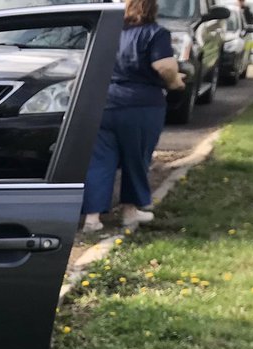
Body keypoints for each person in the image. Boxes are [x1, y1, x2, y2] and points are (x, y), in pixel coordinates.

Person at [81, 0, 184, 233]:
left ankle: (92, 219)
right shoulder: (156, 33)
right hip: (141, 106)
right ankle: (130, 212)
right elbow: (165, 66)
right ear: (152, 7)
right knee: (136, 159)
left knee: (99, 162)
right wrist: (175, 82)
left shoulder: (109, 31)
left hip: (105, 104)